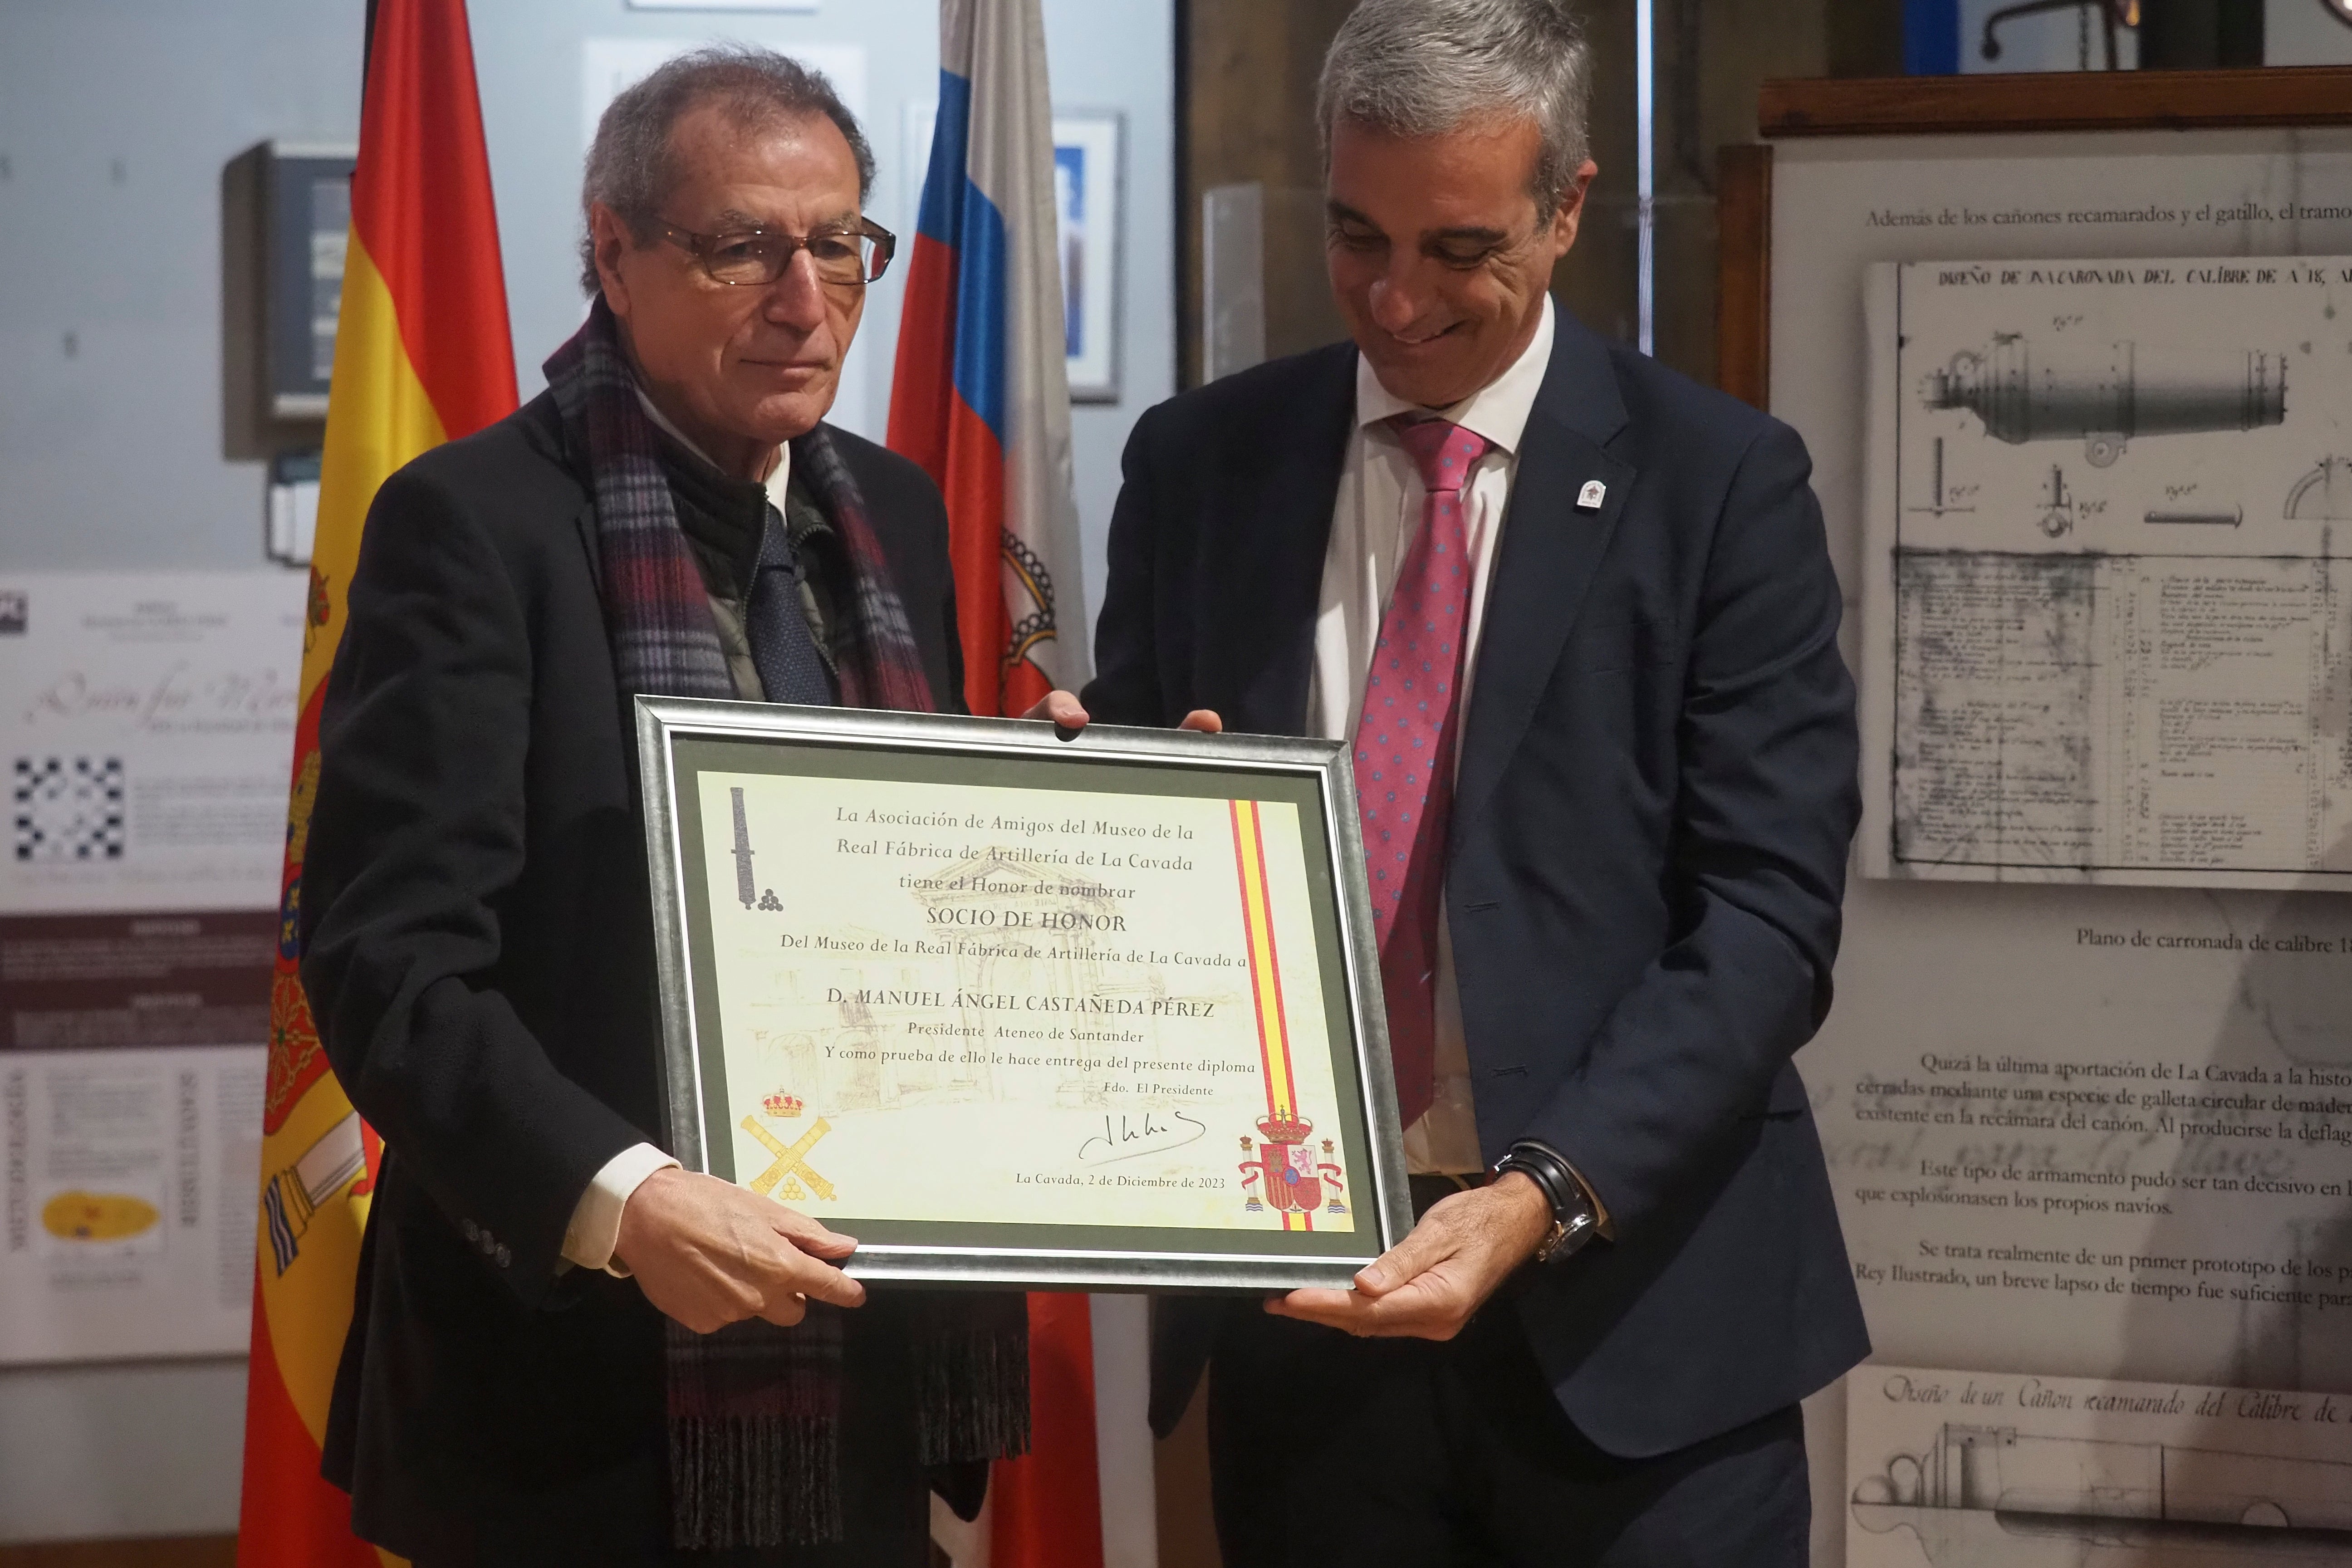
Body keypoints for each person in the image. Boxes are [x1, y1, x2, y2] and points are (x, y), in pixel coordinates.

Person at [1061, 0, 1869, 1561]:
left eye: (1458, 247)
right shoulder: (1201, 462)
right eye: (1356, 234)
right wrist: (1106, 811)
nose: (1397, 297)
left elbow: (1767, 921)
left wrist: (1536, 1197)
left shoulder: (1718, 485)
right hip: (1312, 1310)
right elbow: (1155, 826)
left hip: (1634, 1320)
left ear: (1567, 208)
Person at [299, 47, 1028, 1567]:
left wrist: (1060, 828)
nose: (804, 296)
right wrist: (621, 1202)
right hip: (562, 1403)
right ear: (613, 255)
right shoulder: (472, 526)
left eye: (838, 243)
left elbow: (911, 906)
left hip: (857, 1381)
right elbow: (390, 965)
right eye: (741, 246)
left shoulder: (889, 514)